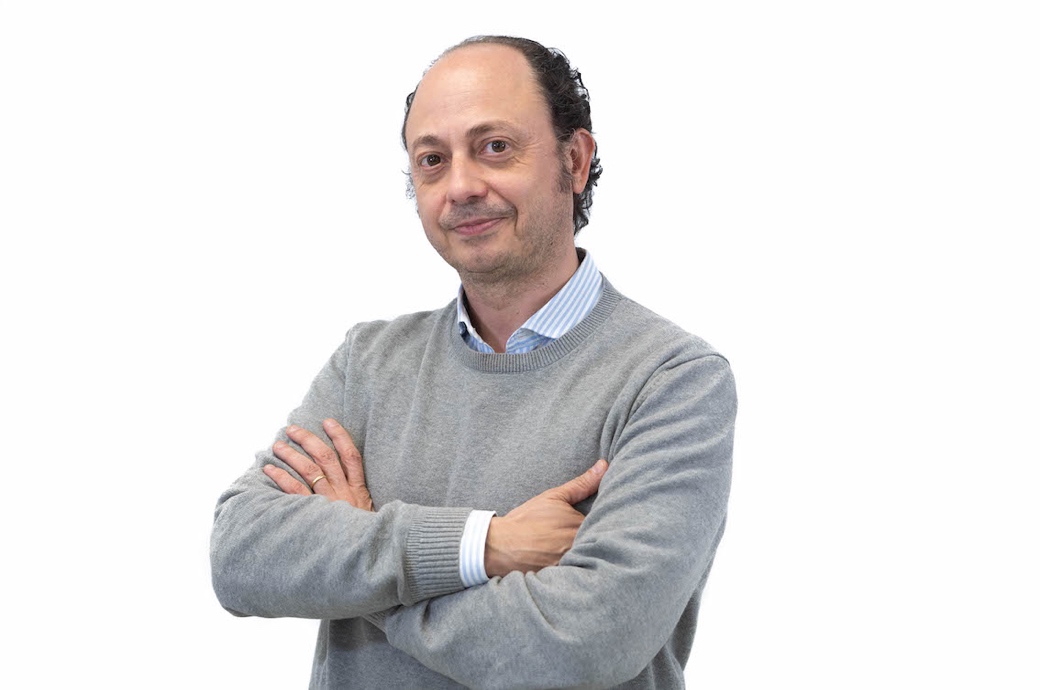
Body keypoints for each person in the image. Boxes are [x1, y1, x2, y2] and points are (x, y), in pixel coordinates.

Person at [211, 35, 736, 689]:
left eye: (495, 147)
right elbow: (240, 555)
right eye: (432, 160)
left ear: (574, 160)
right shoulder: (367, 364)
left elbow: (580, 644)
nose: (460, 186)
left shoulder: (671, 380)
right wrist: (485, 544)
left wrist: (362, 571)